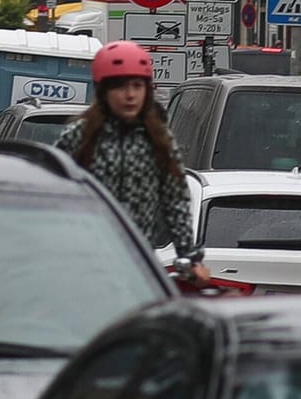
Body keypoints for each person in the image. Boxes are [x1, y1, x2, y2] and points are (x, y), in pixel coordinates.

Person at [53, 41, 209, 284]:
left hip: (137, 265)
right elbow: (52, 196)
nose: (130, 95)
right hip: (83, 264)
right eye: (120, 87)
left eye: (137, 86)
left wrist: (189, 257)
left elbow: (175, 201)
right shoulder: (79, 137)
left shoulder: (159, 139)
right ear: (103, 91)